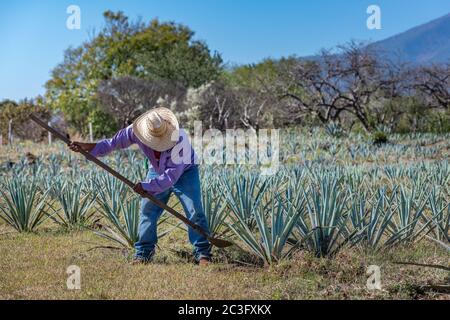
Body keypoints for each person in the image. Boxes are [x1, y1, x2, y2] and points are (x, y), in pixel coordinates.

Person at [69, 107, 211, 265]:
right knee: (147, 210)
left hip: (185, 172)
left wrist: (146, 186)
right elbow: (113, 143)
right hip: (157, 170)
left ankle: (203, 253)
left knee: (194, 210)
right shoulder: (136, 130)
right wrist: (89, 147)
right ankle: (143, 253)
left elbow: (171, 177)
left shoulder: (180, 140)